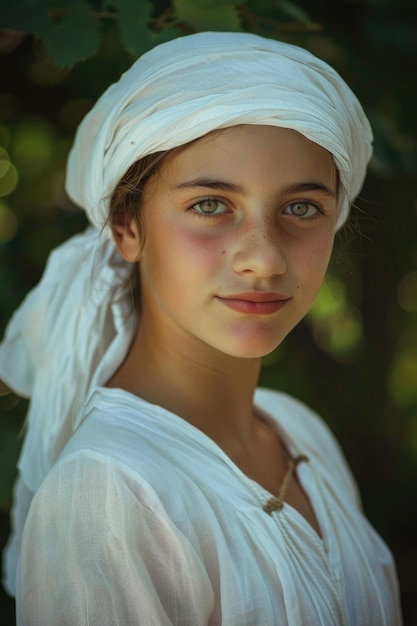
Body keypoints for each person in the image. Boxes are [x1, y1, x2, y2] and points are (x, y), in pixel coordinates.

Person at [0, 31, 402, 625]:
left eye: (301, 208)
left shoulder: (300, 431)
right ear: (127, 226)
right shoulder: (109, 492)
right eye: (211, 205)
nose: (263, 259)